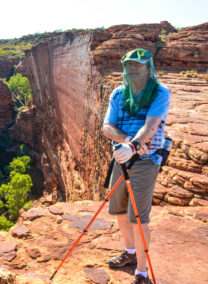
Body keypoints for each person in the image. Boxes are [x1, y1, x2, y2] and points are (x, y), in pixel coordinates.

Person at [103, 48, 171, 284]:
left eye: (138, 65)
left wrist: (133, 147)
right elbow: (107, 127)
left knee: (138, 218)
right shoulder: (118, 94)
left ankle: (142, 272)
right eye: (129, 65)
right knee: (120, 211)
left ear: (148, 68)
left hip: (145, 159)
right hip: (121, 157)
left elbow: (152, 126)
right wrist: (126, 143)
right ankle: (130, 253)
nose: (133, 69)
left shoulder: (160, 93)